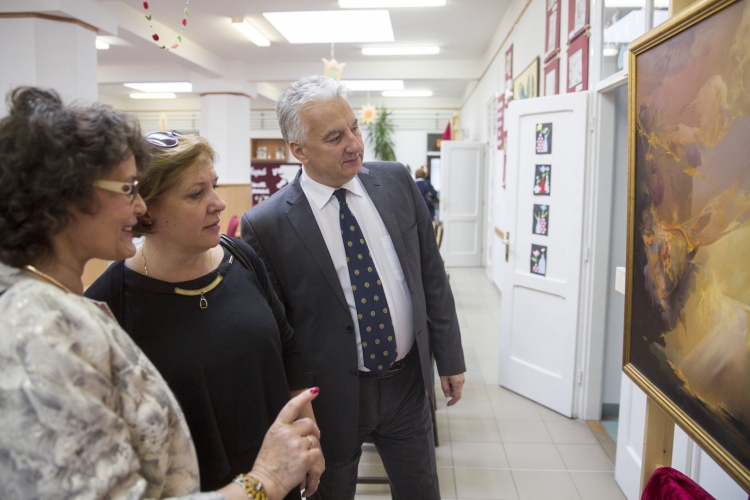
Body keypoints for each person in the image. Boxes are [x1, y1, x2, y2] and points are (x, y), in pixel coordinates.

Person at [0, 87, 321, 500]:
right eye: (127, 189)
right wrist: (264, 483)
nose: (139, 209)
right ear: (65, 198)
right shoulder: (41, 331)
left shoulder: (61, 309)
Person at [241, 75, 466, 499]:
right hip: (330, 399)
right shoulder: (266, 225)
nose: (354, 144)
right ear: (299, 150)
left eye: (354, 128)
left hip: (406, 385)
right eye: (334, 137)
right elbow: (277, 331)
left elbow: (431, 275)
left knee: (421, 491)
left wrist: (449, 357)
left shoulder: (396, 182)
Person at [85, 131, 324, 498]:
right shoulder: (109, 305)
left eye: (214, 185)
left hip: (281, 476)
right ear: (146, 209)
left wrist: (308, 437)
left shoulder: (242, 258)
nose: (219, 203)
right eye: (196, 194)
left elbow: (287, 350)